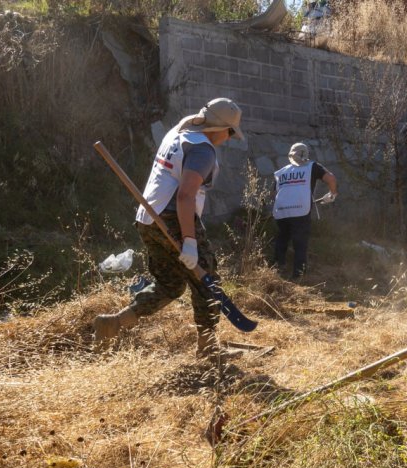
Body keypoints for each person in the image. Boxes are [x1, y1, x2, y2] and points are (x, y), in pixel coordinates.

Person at [93, 98, 244, 360]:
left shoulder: (179, 132)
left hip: (148, 218)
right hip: (174, 218)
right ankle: (208, 348)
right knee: (206, 282)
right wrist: (189, 241)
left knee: (171, 285)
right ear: (219, 128)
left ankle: (113, 324)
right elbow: (185, 196)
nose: (229, 138)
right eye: (230, 131)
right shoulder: (203, 150)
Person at [271, 142, 338, 279]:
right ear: (306, 154)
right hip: (300, 211)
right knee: (300, 243)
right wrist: (333, 194)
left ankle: (277, 269)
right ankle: (298, 276)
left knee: (282, 239)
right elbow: (331, 179)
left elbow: (274, 193)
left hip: (281, 211)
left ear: (290, 154)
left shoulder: (282, 171)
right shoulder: (312, 166)